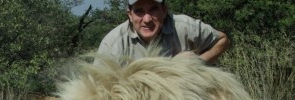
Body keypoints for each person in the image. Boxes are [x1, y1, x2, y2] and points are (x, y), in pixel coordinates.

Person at [97, 0, 229, 64]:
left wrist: (197, 62)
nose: (147, 19)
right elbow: (97, 88)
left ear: (164, 10)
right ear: (129, 15)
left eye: (153, 9)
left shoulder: (184, 27)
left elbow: (222, 40)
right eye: (139, 11)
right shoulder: (112, 44)